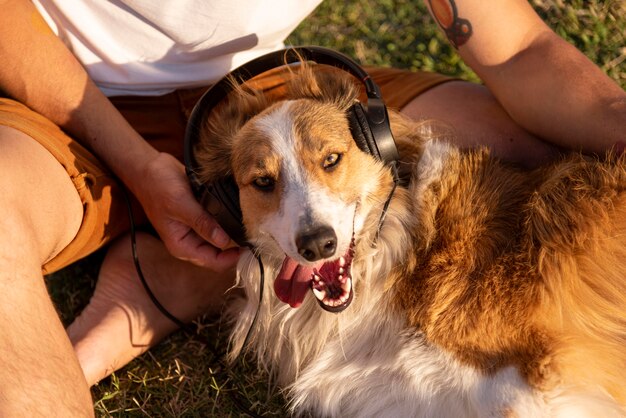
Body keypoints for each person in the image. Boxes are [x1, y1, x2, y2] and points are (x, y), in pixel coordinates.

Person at [0, 0, 623, 415]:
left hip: (257, 91)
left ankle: (157, 285)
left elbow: (516, 48)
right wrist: (137, 166)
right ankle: (115, 321)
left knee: (531, 143)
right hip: (62, 101)